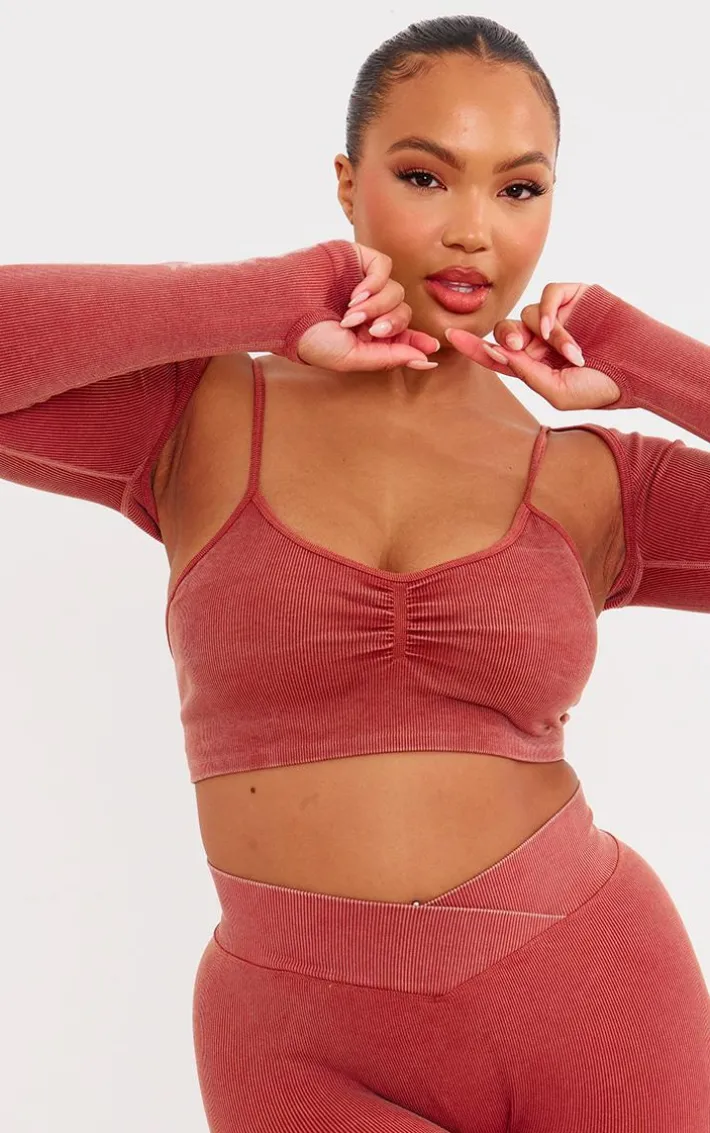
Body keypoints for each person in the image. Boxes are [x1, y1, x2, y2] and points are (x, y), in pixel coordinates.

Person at [2, 13, 709, 1131]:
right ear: (347, 184)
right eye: (425, 175)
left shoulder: (594, 481)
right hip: (296, 1039)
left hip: (587, 990)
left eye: (518, 189)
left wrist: (644, 359)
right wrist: (269, 297)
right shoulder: (199, 417)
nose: (472, 229)